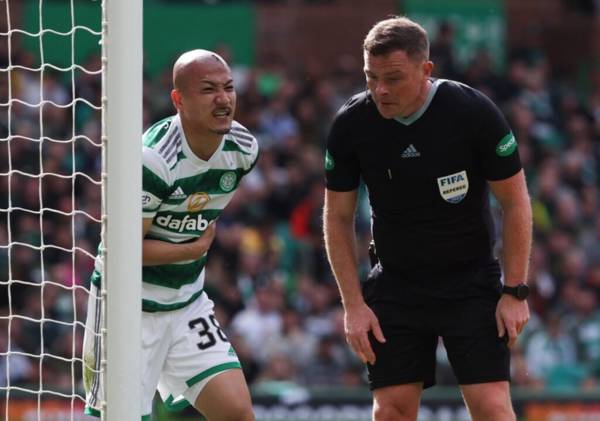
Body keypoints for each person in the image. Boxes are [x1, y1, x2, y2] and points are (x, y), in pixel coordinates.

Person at [323, 16, 531, 421]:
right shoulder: (351, 124)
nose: (380, 90)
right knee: (390, 412)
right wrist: (353, 305)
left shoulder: (472, 112)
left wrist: (515, 291)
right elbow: (337, 217)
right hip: (396, 285)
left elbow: (516, 202)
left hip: (470, 282)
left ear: (426, 70)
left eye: (393, 78)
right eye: (371, 77)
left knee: (492, 408)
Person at [83, 49, 258, 421]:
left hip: (186, 303)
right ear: (179, 99)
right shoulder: (153, 160)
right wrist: (190, 250)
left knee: (237, 412)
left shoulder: (244, 150)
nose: (223, 99)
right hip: (127, 306)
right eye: (208, 90)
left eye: (228, 88)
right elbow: (122, 251)